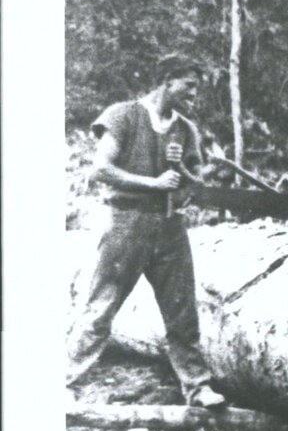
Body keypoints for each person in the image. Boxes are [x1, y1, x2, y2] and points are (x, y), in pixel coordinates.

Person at [68, 58, 228, 407]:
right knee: (101, 307)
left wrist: (195, 177)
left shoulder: (186, 130)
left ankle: (198, 387)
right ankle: (63, 379)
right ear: (167, 81)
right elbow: (101, 169)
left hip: (170, 226)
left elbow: (193, 181)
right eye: (188, 86)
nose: (193, 95)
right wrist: (152, 183)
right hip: (126, 223)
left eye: (196, 89)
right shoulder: (123, 115)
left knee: (182, 313)